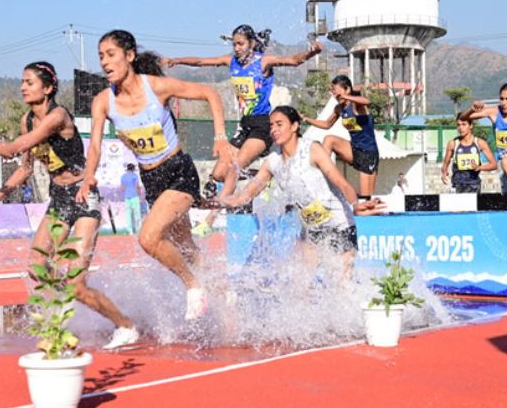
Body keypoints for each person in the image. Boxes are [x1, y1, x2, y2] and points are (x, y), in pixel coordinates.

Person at [0, 61, 136, 350]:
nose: (22, 87)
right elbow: (25, 167)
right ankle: (64, 316)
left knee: (76, 284)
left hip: (83, 196)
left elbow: (11, 149)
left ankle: (125, 325)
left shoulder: (58, 116)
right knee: (37, 266)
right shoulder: (27, 121)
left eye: (29, 82)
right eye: (22, 82)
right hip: (60, 198)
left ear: (49, 88)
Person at [76, 29, 235, 325]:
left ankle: (193, 286)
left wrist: (220, 137)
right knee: (186, 247)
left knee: (148, 238)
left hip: (178, 172)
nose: (105, 62)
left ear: (129, 56)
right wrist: (88, 176)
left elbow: (209, 94)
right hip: (151, 180)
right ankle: (226, 295)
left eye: (110, 55)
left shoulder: (157, 87)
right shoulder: (103, 101)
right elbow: (95, 145)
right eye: (101, 57)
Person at [164, 25, 322, 236]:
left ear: (252, 43)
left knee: (235, 167)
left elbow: (293, 61)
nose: (237, 48)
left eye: (241, 44)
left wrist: (312, 52)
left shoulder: (262, 62)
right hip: (244, 125)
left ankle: (209, 221)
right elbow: (201, 61)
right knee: (219, 174)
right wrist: (176, 60)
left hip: (262, 126)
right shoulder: (231, 62)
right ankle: (264, 176)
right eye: (234, 44)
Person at [219, 106, 384, 280]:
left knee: (343, 282)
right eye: (271, 125)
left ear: (294, 126)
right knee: (301, 284)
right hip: (312, 229)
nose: (274, 129)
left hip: (339, 223)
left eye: (279, 124)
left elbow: (340, 181)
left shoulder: (312, 149)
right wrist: (221, 200)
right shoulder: (272, 162)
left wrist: (356, 204)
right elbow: (245, 196)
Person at [301, 75, 379, 199]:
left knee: (366, 197)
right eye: (333, 92)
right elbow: (326, 124)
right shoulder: (339, 108)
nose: (335, 95)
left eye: (336, 92)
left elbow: (367, 101)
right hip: (354, 149)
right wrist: (306, 119)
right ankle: (321, 171)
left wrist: (346, 97)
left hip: (368, 153)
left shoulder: (356, 105)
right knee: (329, 139)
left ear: (347, 89)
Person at [441, 113, 497, 193]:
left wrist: (479, 167)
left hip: (474, 185)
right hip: (457, 185)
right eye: (458, 125)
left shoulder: (480, 143)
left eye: (464, 124)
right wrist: (444, 172)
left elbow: (494, 165)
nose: (460, 128)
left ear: (471, 125)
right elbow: (445, 164)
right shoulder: (453, 144)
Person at [120, 163, 144, 234]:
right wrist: (139, 194)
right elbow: (137, 186)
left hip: (127, 196)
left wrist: (127, 190)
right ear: (133, 169)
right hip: (134, 196)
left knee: (128, 214)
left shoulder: (123, 176)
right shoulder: (134, 176)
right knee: (137, 213)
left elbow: (122, 188)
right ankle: (138, 230)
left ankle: (130, 230)